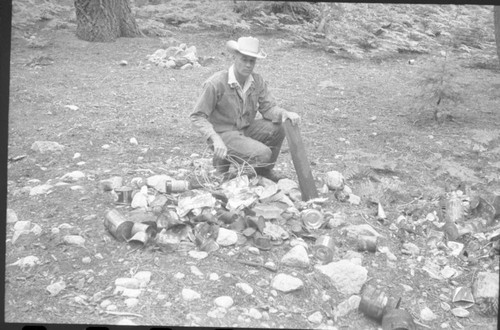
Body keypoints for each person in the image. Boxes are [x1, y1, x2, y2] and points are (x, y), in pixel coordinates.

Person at [190, 36, 301, 182]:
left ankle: (264, 171)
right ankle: (223, 164)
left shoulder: (257, 81)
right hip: (222, 134)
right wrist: (215, 138)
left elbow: (268, 109)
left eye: (252, 61)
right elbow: (197, 116)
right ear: (234, 58)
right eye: (244, 59)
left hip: (244, 130)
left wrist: (284, 114)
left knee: (279, 127)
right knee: (263, 154)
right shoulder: (216, 83)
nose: (248, 65)